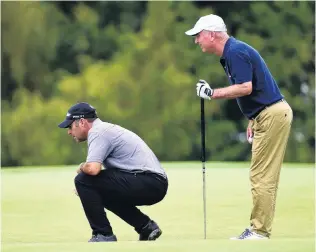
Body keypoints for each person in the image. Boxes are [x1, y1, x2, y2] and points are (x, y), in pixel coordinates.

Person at [185, 14, 293, 240]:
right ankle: (259, 229)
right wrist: (252, 119)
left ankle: (259, 231)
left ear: (212, 34)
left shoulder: (234, 52)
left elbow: (246, 87)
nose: (196, 41)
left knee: (262, 176)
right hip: (266, 115)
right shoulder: (232, 52)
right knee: (262, 175)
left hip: (272, 114)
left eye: (198, 35)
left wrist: (212, 94)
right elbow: (258, 88)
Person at [58, 102, 168, 242]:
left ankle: (103, 234)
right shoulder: (103, 129)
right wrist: (88, 191)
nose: (69, 131)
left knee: (82, 180)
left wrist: (81, 167)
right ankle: (145, 227)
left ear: (82, 122)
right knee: (94, 188)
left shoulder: (97, 132)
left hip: (149, 181)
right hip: (154, 183)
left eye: (70, 126)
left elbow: (92, 169)